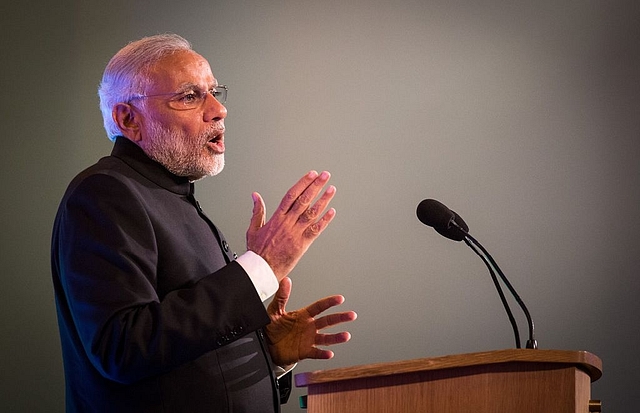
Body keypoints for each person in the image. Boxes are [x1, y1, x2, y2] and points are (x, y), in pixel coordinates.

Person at [51, 33, 356, 413]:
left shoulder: (174, 195)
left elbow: (192, 357)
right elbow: (122, 348)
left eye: (214, 92)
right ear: (128, 119)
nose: (218, 110)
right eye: (190, 96)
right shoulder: (104, 193)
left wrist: (268, 356)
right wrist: (262, 265)